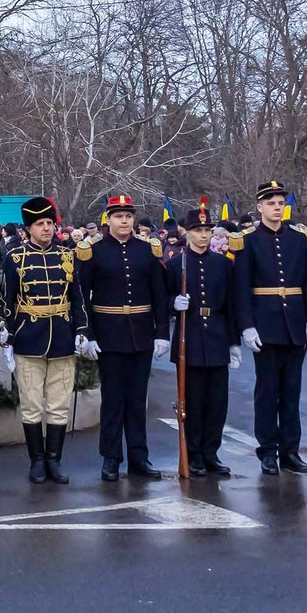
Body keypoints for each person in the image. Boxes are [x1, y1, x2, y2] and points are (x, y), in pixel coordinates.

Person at [0, 195, 89, 485]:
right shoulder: (14, 257)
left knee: (59, 404)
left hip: (61, 336)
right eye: (40, 224)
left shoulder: (68, 256)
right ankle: (36, 460)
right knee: (32, 403)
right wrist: (4, 329)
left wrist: (82, 330)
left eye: (50, 223)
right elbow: (6, 300)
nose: (47, 228)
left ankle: (54, 460)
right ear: (28, 229)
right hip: (29, 336)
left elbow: (78, 299)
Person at [76, 192, 169, 482]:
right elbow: (82, 296)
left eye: (128, 216)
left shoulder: (148, 250)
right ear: (108, 219)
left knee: (137, 400)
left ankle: (139, 457)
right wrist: (86, 333)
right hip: (108, 334)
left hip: (141, 332)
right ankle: (111, 458)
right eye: (119, 216)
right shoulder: (94, 251)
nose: (125, 221)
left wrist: (162, 333)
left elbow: (159, 295)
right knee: (113, 399)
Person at [237, 181, 307, 476]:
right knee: (267, 391)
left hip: (294, 322)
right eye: (270, 202)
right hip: (265, 322)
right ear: (259, 207)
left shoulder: (299, 240)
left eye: (280, 202)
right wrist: (247, 326)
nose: (276, 206)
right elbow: (242, 287)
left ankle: (290, 450)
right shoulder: (247, 241)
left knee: (291, 391)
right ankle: (267, 450)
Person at [167, 206, 247, 476]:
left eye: (206, 231)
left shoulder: (223, 264)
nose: (203, 236)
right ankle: (193, 453)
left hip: (216, 334)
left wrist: (234, 342)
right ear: (187, 233)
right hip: (188, 338)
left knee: (216, 402)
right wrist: (172, 303)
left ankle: (211, 452)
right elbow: (162, 300)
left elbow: (232, 305)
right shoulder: (176, 263)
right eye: (198, 231)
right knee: (193, 400)